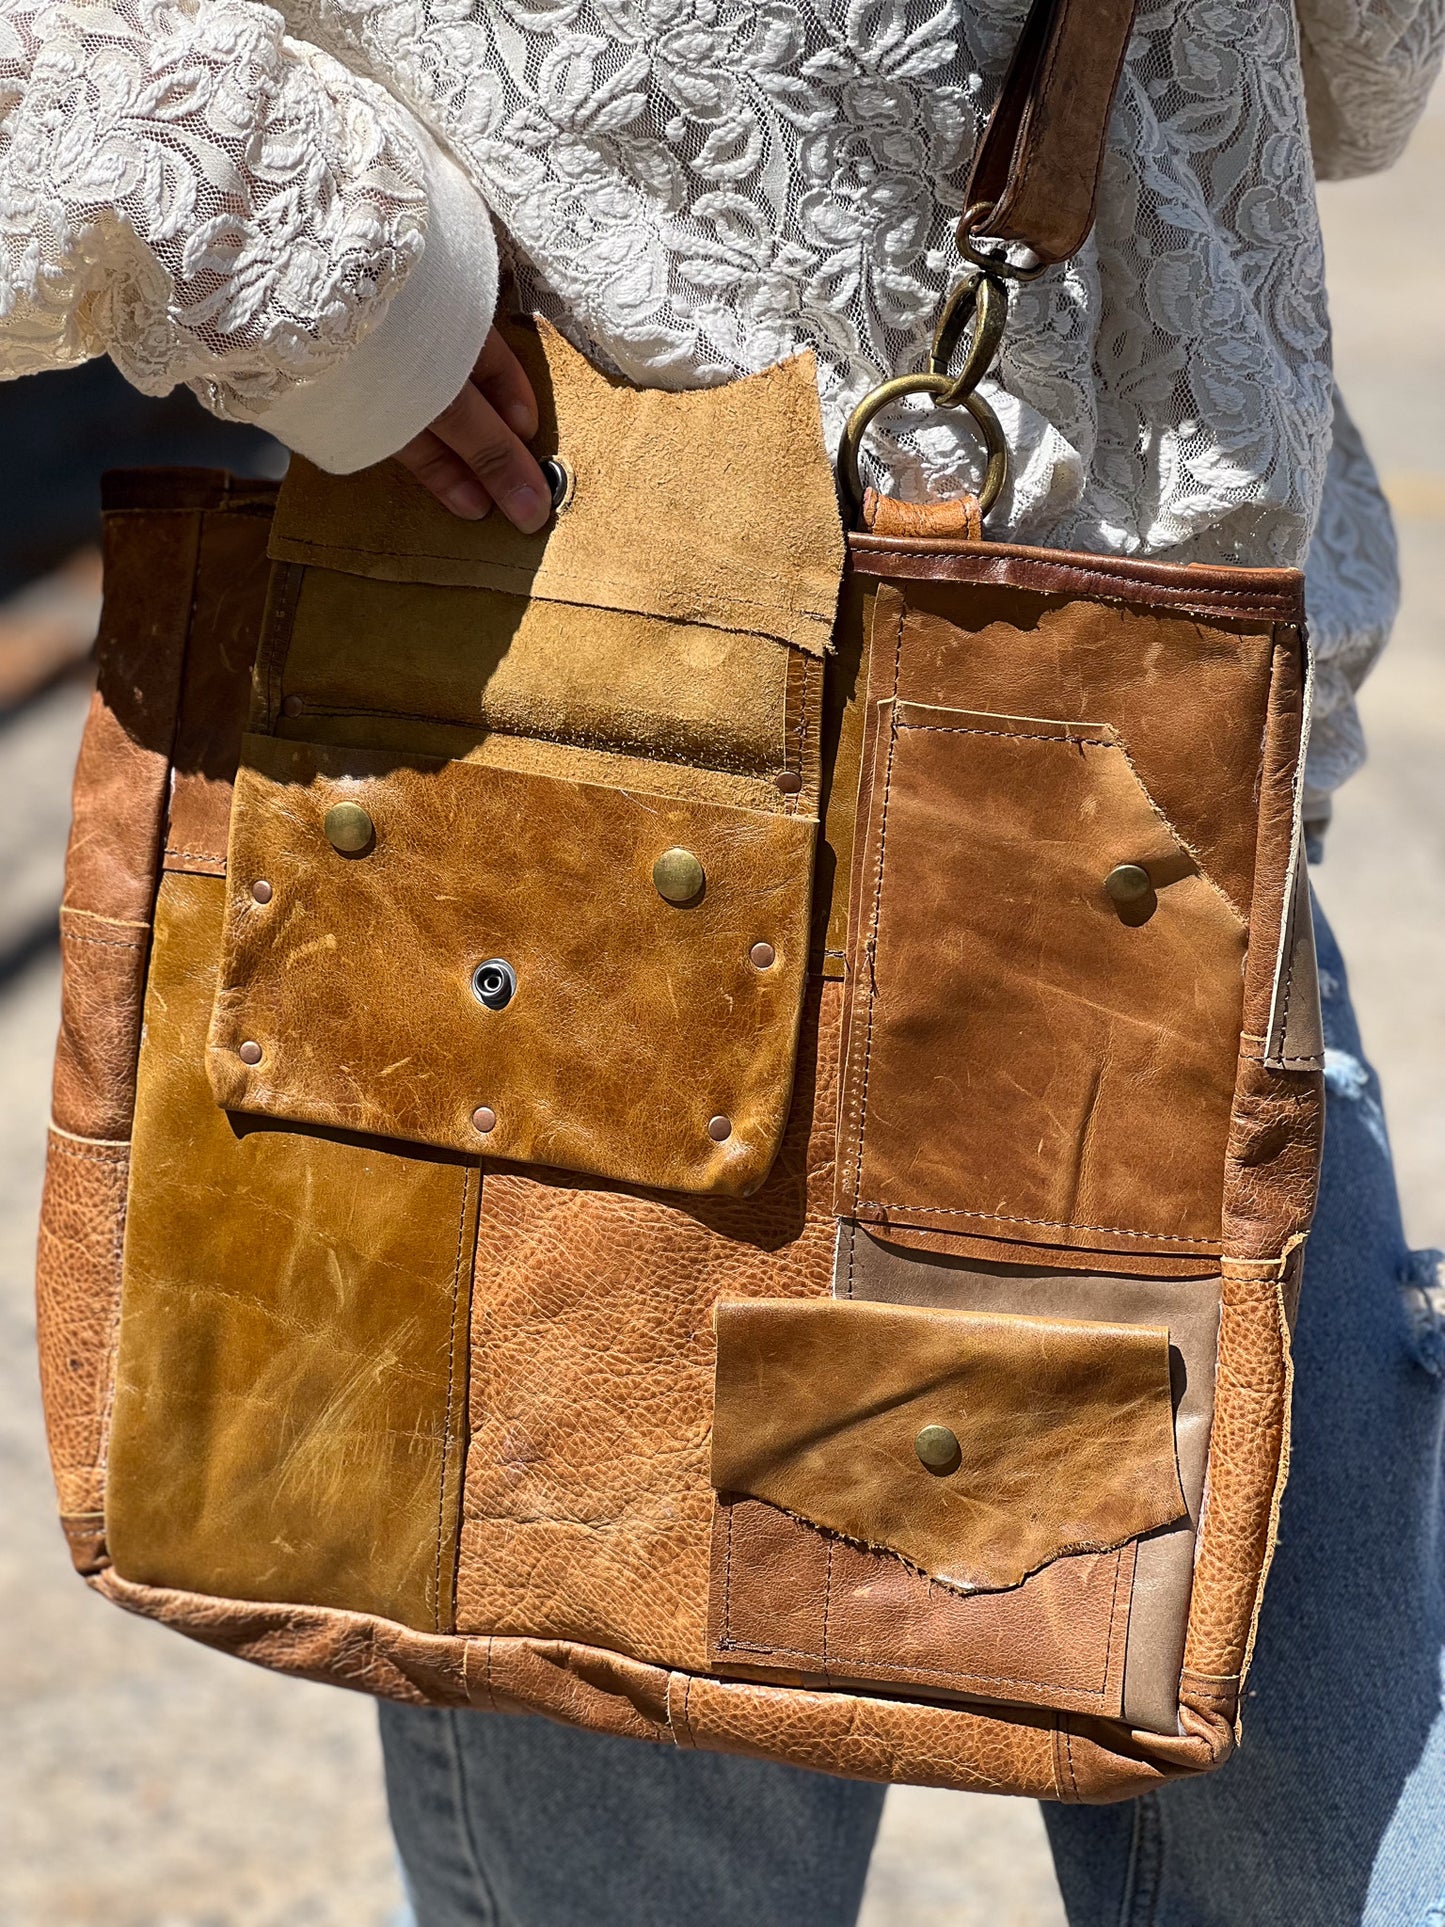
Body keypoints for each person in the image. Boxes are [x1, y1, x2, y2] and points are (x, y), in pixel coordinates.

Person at [4, 1, 1444, 1920]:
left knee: (1320, 1828)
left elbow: (1342, 73)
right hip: (543, 769)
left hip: (1115, 810)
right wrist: (348, 280)